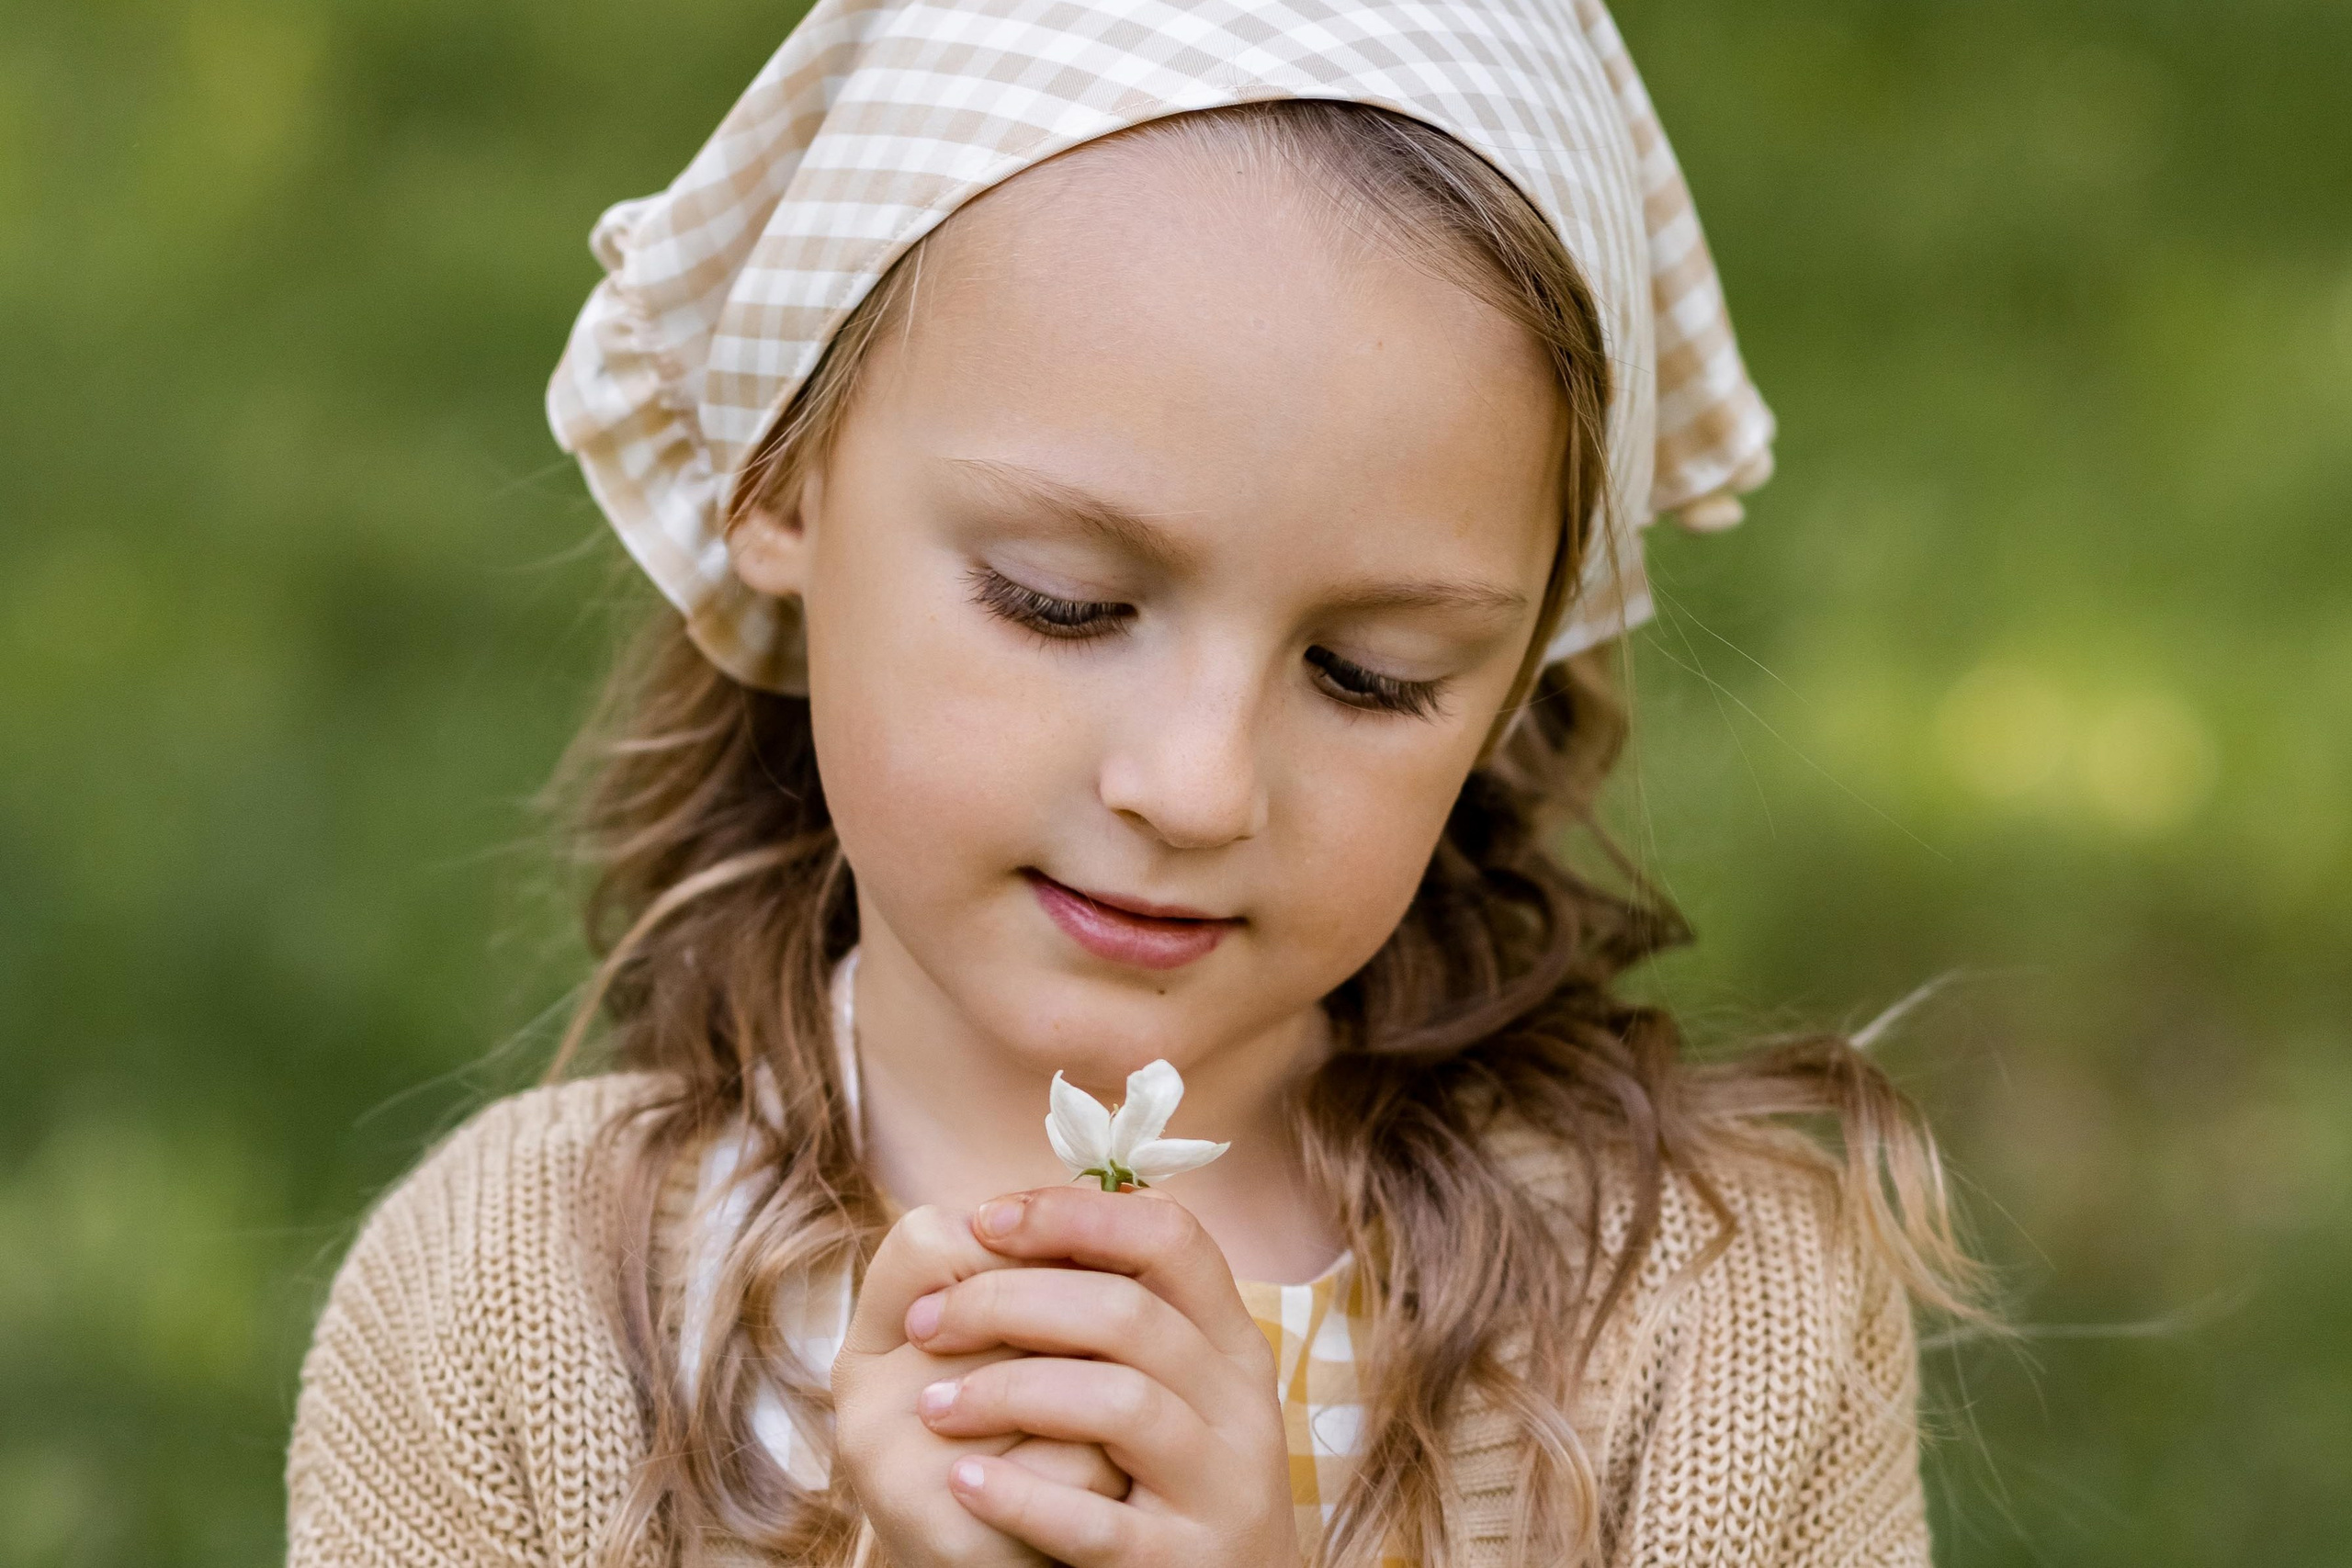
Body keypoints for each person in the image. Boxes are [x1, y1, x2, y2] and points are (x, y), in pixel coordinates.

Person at [285, 1, 1982, 1563]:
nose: (1194, 785)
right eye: (1061, 602)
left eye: (1369, 673)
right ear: (782, 469)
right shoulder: (505, 1303)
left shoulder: (1714, 1324)